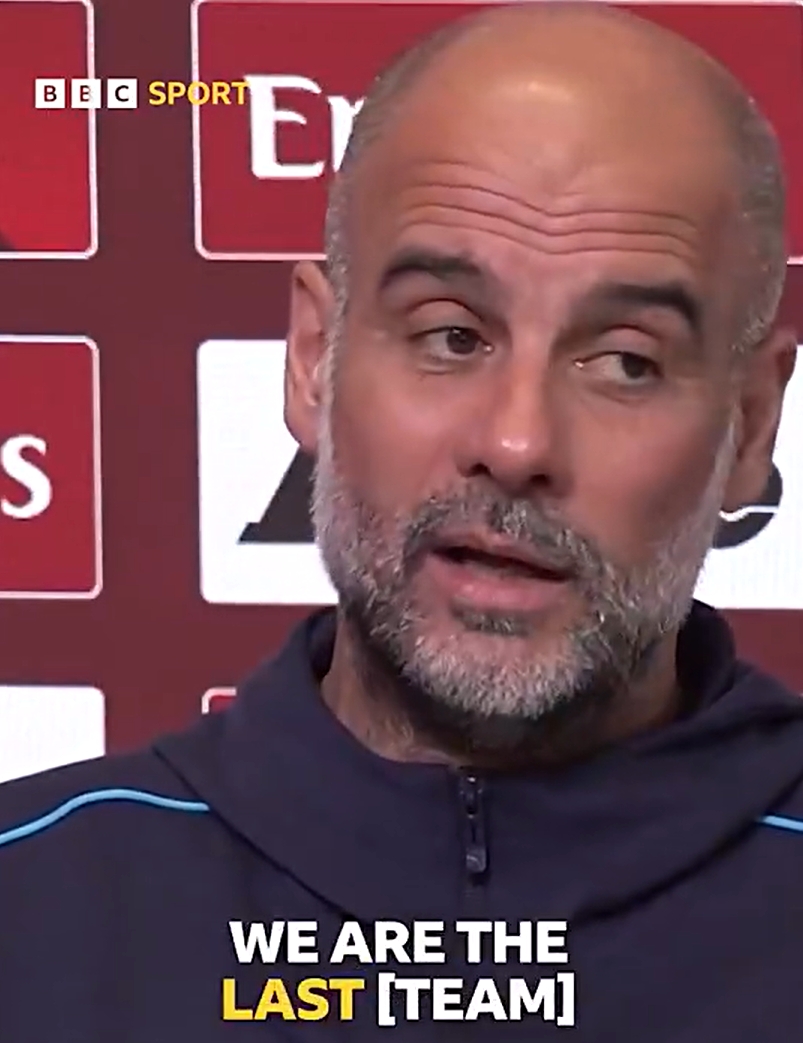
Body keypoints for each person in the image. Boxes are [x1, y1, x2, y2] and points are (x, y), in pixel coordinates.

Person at [0, 4, 800, 1040]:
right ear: (312, 358)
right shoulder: (34, 907)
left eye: (623, 361)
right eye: (451, 336)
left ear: (749, 424)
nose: (515, 441)